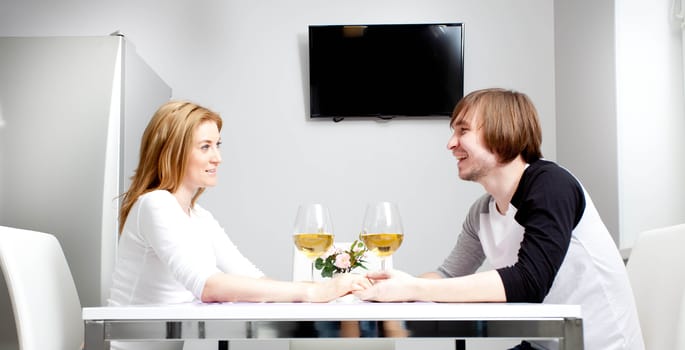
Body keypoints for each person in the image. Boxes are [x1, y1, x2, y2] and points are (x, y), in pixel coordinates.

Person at [354, 88, 644, 350]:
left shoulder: (551, 185)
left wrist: (415, 288)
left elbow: (528, 283)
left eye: (463, 130)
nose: (450, 143)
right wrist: (384, 286)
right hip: (545, 346)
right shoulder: (481, 211)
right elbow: (447, 276)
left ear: (502, 131)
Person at [108, 101, 370, 349]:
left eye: (218, 145)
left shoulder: (199, 217)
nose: (218, 157)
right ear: (173, 151)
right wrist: (312, 292)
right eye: (205, 146)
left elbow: (251, 276)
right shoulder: (155, 204)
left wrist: (324, 290)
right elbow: (209, 287)